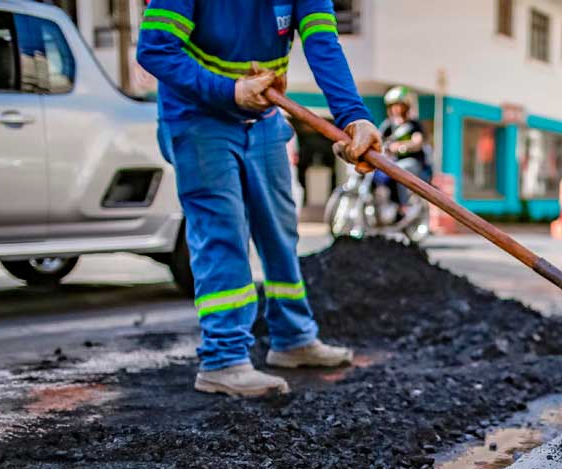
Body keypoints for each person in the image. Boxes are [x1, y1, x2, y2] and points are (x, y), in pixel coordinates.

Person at [136, 0, 382, 398]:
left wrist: (353, 118)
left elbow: (323, 43)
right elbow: (155, 49)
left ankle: (293, 338)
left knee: (280, 230)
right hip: (199, 118)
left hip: (264, 118)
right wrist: (229, 90)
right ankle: (223, 360)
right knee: (224, 234)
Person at [376, 86, 429, 217]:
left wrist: (402, 146)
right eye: (393, 105)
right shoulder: (388, 125)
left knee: (397, 169)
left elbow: (418, 141)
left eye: (399, 105)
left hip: (413, 163)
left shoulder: (413, 124)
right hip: (392, 161)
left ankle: (403, 207)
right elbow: (378, 137)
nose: (396, 109)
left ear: (406, 106)